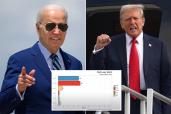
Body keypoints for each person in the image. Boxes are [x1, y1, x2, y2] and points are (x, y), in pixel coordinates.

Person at [0, 4, 82, 114]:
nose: (57, 32)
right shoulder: (20, 60)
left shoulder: (75, 64)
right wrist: (18, 89)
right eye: (50, 26)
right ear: (38, 28)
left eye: (62, 27)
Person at [90, 4, 171, 114]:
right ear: (122, 24)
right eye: (128, 19)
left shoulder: (158, 45)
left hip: (151, 106)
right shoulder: (110, 44)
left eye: (135, 18)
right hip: (120, 105)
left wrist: (166, 111)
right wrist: (98, 49)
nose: (132, 22)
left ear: (143, 21)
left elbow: (166, 82)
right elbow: (97, 73)